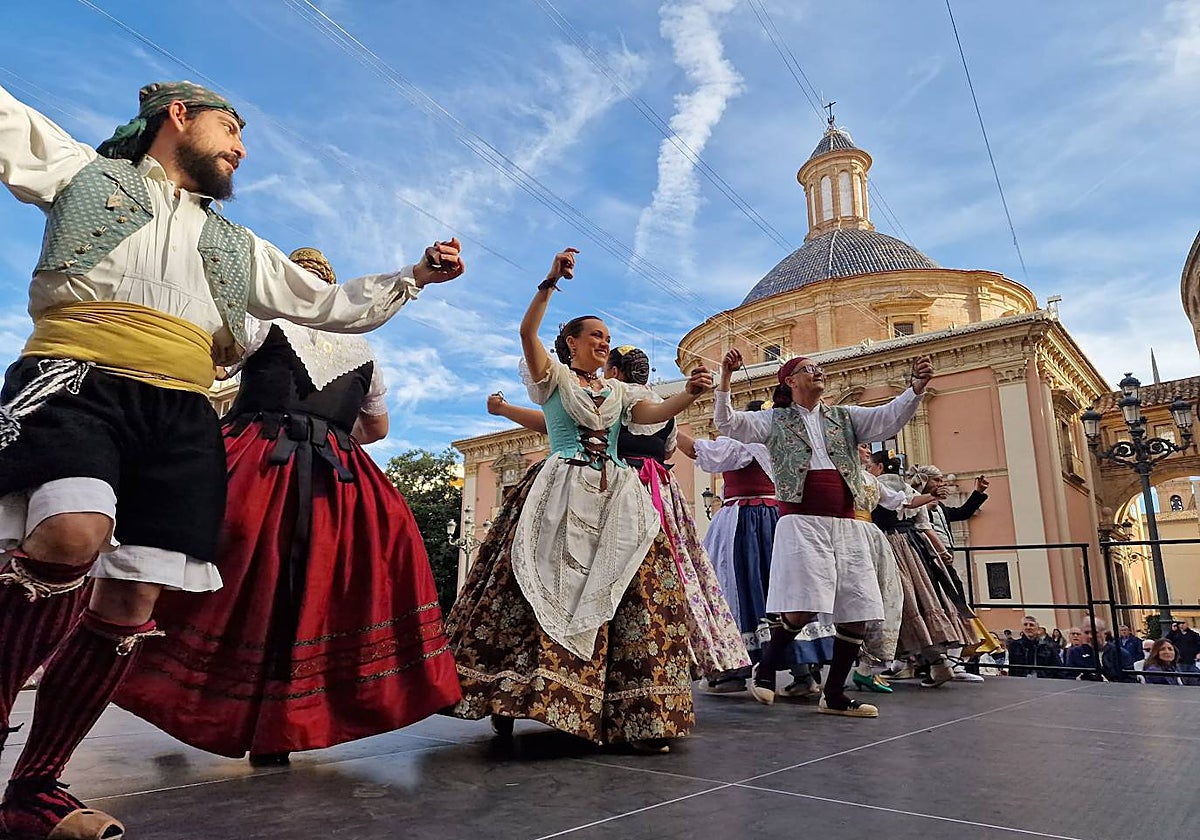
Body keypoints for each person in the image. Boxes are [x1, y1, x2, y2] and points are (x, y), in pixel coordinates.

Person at [0, 80, 464, 839]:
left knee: (133, 599)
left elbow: (330, 305)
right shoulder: (85, 174)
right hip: (83, 377)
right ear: (177, 117)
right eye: (231, 130)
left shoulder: (235, 245)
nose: (241, 150)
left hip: (179, 411)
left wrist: (414, 276)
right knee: (71, 535)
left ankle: (35, 789)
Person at [115, 248, 460, 765]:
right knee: (318, 591)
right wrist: (332, 432)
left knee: (216, 568)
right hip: (336, 474)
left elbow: (210, 369)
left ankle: (180, 695)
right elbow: (377, 429)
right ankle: (286, 725)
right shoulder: (365, 353)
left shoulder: (261, 323)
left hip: (258, 456)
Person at [446, 248, 710, 752]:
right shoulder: (554, 379)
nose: (604, 344)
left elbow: (655, 408)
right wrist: (548, 281)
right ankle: (510, 696)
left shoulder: (618, 391)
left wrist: (692, 395)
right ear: (571, 344)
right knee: (530, 583)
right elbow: (527, 335)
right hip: (558, 489)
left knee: (635, 590)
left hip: (616, 495)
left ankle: (636, 712)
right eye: (595, 336)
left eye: (607, 339)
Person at [484, 345, 750, 687]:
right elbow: (668, 447)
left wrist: (506, 409)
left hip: (608, 487)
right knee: (663, 577)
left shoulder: (614, 397)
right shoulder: (649, 406)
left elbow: (556, 425)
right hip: (657, 492)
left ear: (615, 371)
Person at [714, 347, 934, 719]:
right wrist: (725, 378)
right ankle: (765, 668)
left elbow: (888, 420)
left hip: (847, 522)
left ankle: (834, 694)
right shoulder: (773, 421)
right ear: (790, 381)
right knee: (801, 607)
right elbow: (728, 423)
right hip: (802, 521)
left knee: (858, 607)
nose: (818, 372)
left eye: (818, 368)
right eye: (808, 369)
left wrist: (915, 388)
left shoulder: (845, 417)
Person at [679, 405, 832, 697]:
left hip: (746, 521)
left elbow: (698, 453)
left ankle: (732, 672)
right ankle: (803, 672)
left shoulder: (741, 445)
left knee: (738, 588)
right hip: (778, 518)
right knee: (782, 590)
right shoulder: (784, 444)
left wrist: (666, 425)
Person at [868, 452, 961, 689]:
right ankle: (938, 663)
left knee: (891, 603)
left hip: (886, 545)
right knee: (920, 600)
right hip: (914, 548)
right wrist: (940, 553)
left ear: (879, 467)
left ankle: (873, 667)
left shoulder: (874, 486)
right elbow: (924, 527)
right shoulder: (909, 491)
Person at [907, 466, 997, 681]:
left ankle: (954, 662)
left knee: (957, 604)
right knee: (937, 605)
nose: (942, 483)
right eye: (937, 480)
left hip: (943, 560)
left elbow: (963, 512)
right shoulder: (916, 505)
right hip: (926, 559)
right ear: (926, 482)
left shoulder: (941, 508)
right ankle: (923, 662)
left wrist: (978, 492)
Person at [1166, 619, 1200, 685]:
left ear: (1187, 624)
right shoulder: (1175, 635)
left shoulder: (1194, 634)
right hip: (1179, 661)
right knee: (1182, 677)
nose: (1181, 625)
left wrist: (1199, 653)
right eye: (1180, 623)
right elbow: (1167, 641)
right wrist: (1172, 631)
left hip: (1191, 660)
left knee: (1194, 675)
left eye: (1183, 623)